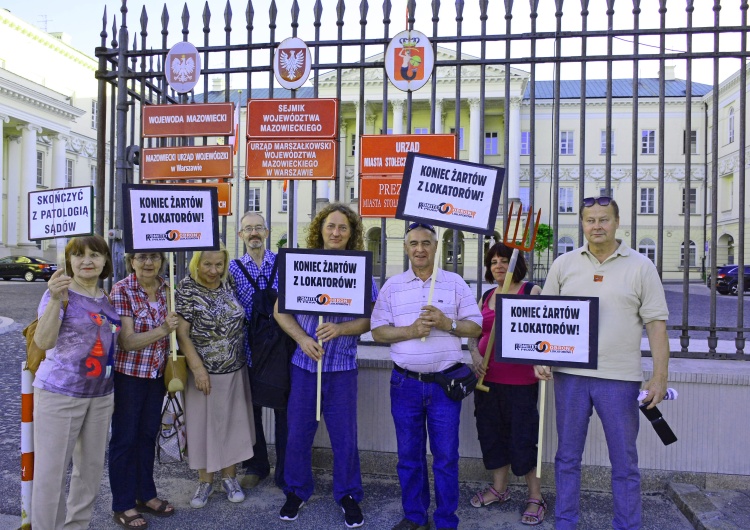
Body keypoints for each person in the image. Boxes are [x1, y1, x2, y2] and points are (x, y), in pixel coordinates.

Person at [535, 196, 670, 530]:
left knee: (624, 462)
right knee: (567, 458)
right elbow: (546, 317)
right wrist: (541, 358)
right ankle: (565, 523)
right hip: (570, 377)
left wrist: (659, 378)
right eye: (590, 220)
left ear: (617, 222)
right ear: (581, 223)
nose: (597, 226)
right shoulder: (564, 264)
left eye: (603, 219)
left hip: (619, 379)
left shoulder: (641, 266)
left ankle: (627, 525)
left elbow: (656, 325)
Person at [371, 223, 482, 530]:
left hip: (444, 386)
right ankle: (415, 517)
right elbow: (378, 332)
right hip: (405, 384)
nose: (420, 249)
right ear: (406, 248)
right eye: (413, 243)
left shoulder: (455, 283)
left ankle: (446, 520)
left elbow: (476, 327)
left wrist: (449, 324)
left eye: (426, 243)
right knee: (409, 457)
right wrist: (410, 331)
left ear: (436, 246)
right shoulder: (392, 285)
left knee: (446, 458)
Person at [274, 203, 378, 528]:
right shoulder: (300, 264)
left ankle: (348, 495)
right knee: (298, 433)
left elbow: (369, 319)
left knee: (345, 436)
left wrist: (341, 329)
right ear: (320, 229)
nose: (336, 232)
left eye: (343, 227)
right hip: (305, 365)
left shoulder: (361, 270)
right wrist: (303, 339)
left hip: (342, 366)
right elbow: (280, 310)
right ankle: (296, 490)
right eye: (330, 226)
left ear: (351, 233)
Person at [31, 235, 121, 530]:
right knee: (51, 475)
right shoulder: (60, 293)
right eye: (79, 255)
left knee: (90, 472)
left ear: (105, 261)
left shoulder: (105, 297)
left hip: (100, 396)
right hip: (60, 394)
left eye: (95, 255)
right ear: (68, 261)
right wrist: (55, 299)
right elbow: (43, 341)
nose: (87, 261)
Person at [467, 243, 546, 526]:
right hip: (488, 382)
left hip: (521, 383)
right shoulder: (486, 296)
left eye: (504, 261)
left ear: (516, 264)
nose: (498, 266)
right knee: (492, 436)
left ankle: (535, 497)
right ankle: (499, 489)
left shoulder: (530, 291)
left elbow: (542, 329)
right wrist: (475, 355)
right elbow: (473, 335)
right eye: (493, 262)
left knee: (523, 439)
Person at [175, 247, 255, 509]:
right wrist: (197, 368)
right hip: (204, 371)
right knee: (203, 426)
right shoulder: (186, 288)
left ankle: (229, 478)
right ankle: (205, 482)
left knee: (231, 424)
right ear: (197, 263)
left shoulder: (228, 281)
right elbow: (182, 334)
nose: (213, 271)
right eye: (207, 264)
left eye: (219, 264)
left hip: (234, 367)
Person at [108, 252, 180, 528]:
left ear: (162, 261)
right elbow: (127, 341)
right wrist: (163, 329)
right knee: (125, 439)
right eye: (141, 258)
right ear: (132, 262)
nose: (148, 263)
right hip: (129, 376)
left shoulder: (167, 288)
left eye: (154, 257)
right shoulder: (122, 290)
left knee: (147, 435)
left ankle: (145, 495)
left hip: (155, 376)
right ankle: (123, 503)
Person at [228, 212, 288, 490]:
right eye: (247, 229)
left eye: (257, 228)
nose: (253, 233)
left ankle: (286, 469)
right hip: (248, 349)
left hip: (281, 349)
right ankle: (257, 464)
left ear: (267, 232)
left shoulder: (285, 263)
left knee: (284, 409)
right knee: (250, 410)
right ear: (240, 235)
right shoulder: (231, 268)